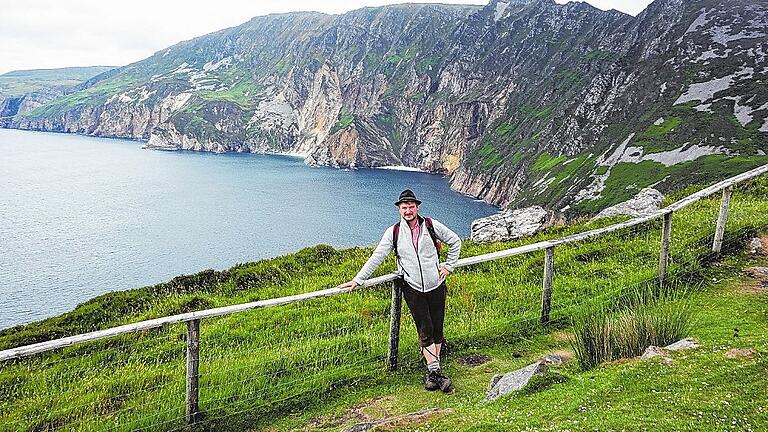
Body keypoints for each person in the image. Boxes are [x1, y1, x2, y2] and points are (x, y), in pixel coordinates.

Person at [338, 189, 462, 392]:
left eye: (411, 207)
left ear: (417, 207)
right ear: (399, 209)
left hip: (437, 285)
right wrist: (358, 280)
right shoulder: (393, 232)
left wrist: (449, 266)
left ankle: (433, 373)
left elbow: (455, 241)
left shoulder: (430, 225)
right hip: (412, 288)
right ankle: (435, 371)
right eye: (404, 207)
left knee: (437, 329)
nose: (408, 211)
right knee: (425, 330)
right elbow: (377, 256)